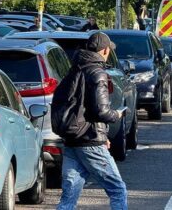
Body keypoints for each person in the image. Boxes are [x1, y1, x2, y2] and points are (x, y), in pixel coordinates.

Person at [56, 32, 128, 210]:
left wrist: (103, 134)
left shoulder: (74, 70)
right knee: (117, 189)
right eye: (109, 50)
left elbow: (80, 108)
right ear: (104, 50)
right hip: (90, 141)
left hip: (72, 139)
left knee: (69, 197)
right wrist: (117, 115)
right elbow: (101, 111)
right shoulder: (98, 73)